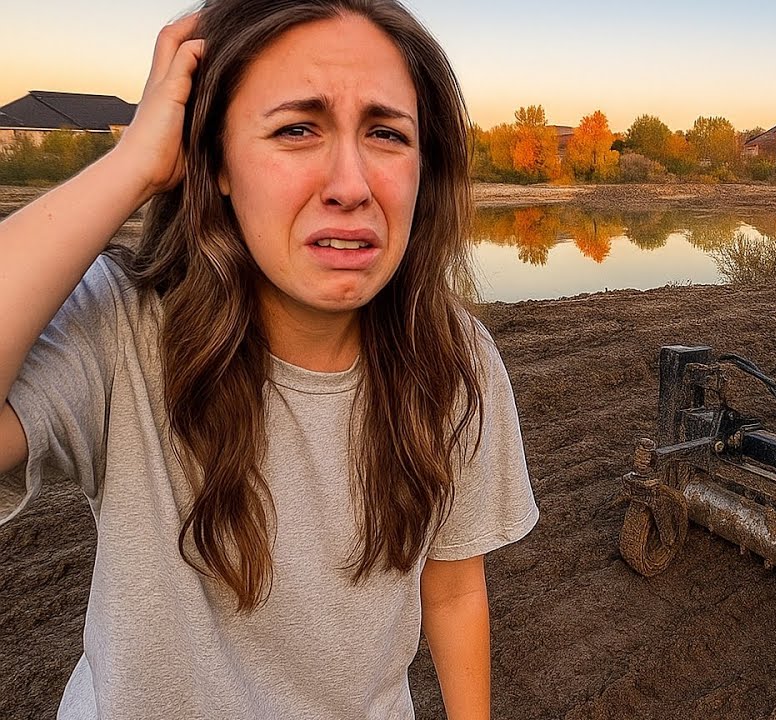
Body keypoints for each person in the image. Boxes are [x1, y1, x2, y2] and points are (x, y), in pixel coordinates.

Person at [0, 1, 538, 718]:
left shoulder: (455, 360)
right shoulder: (122, 331)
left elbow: (454, 589)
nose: (351, 186)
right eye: (296, 129)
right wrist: (132, 166)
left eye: (385, 133)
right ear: (217, 163)